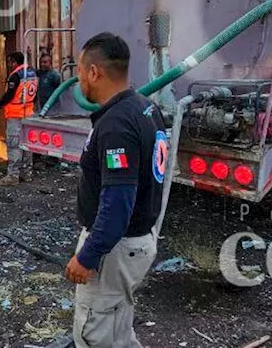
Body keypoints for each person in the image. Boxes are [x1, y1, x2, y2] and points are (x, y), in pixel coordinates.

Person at [65, 33, 167, 348]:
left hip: (116, 248)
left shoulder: (116, 125)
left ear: (95, 72)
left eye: (80, 72)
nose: (79, 80)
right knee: (118, 326)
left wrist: (88, 255)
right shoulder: (145, 107)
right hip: (135, 241)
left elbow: (118, 202)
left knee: (94, 334)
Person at [0, 50, 38, 186]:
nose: (9, 65)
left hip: (16, 115)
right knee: (27, 145)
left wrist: (0, 103)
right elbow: (35, 94)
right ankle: (27, 174)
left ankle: (13, 176)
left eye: (9, 62)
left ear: (14, 61)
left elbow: (10, 94)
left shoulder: (16, 75)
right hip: (29, 113)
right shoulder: (32, 73)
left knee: (14, 146)